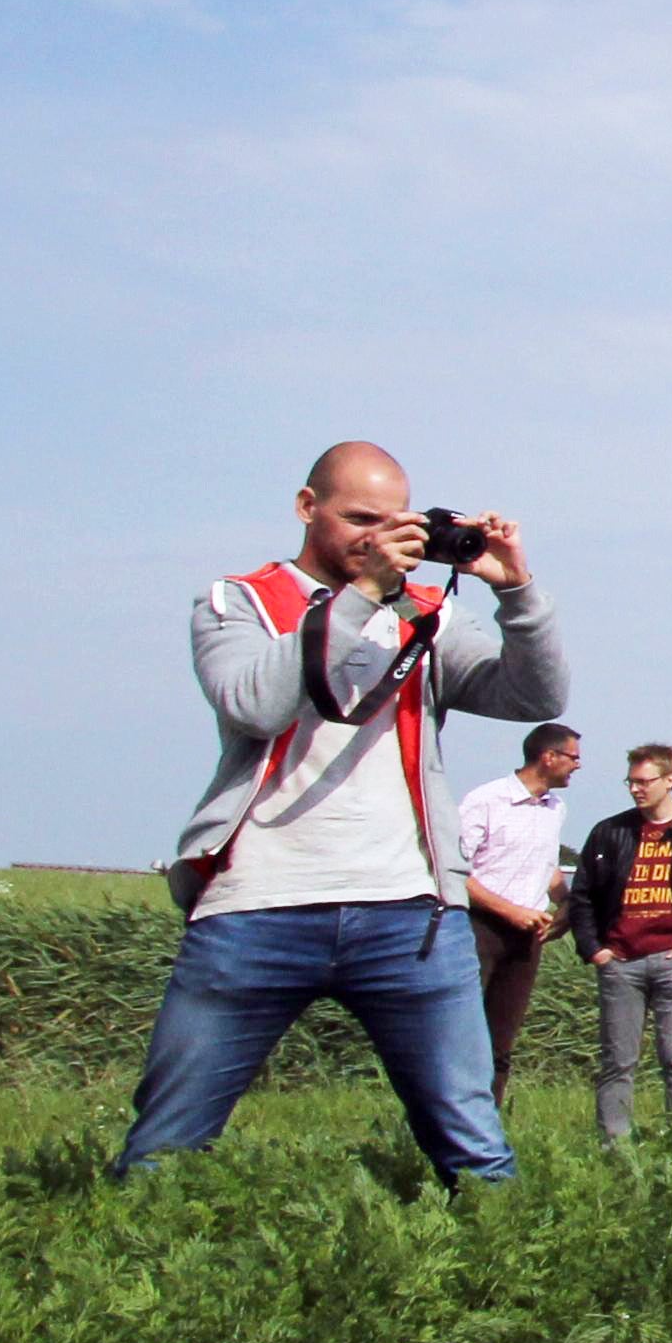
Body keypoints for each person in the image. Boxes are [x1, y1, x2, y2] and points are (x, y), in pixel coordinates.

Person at [123, 442, 566, 1184]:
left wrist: (517, 592)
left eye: (392, 522)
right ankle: (129, 1273)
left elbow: (534, 700)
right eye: (359, 519)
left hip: (408, 911)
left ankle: (504, 1276)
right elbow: (253, 705)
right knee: (166, 1143)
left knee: (476, 1146)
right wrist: (362, 592)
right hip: (256, 903)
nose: (378, 537)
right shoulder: (239, 601)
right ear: (306, 507)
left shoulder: (425, 613)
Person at [573, 743, 672, 1140]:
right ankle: (615, 1148)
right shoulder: (609, 832)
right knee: (618, 1059)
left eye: (644, 781)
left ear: (670, 780)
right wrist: (595, 949)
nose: (635, 789)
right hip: (621, 962)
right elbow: (582, 895)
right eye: (630, 781)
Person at [454, 720, 583, 1096]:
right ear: (548, 756)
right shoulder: (486, 800)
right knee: (461, 1033)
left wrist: (567, 904)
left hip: (527, 936)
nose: (577, 766)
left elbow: (545, 865)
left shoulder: (555, 808)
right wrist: (510, 911)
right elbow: (454, 872)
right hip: (478, 929)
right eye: (573, 758)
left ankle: (487, 1126)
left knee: (501, 1039)